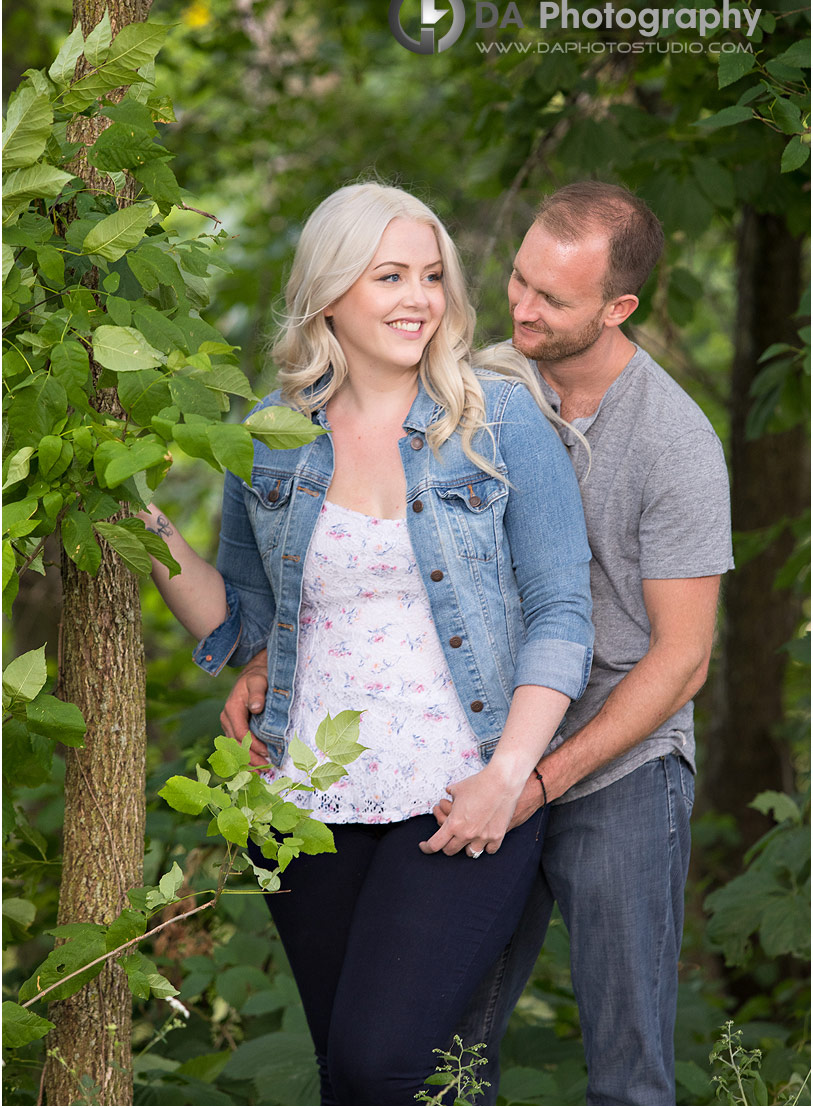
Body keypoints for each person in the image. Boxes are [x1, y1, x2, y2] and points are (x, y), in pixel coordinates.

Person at [223, 180, 734, 1105]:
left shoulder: (674, 442)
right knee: (446, 1059)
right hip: (471, 743)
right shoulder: (478, 382)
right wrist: (268, 657)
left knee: (626, 1067)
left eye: (553, 299)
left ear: (618, 309)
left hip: (613, 761)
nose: (522, 310)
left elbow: (681, 658)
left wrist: (530, 777)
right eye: (516, 281)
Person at [140, 182, 594, 1106]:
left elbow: (561, 611)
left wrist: (509, 774)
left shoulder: (499, 422)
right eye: (389, 275)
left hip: (464, 786)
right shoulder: (274, 436)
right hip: (303, 797)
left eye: (431, 276)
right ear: (329, 292)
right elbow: (248, 618)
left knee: (379, 1065)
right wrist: (144, 528)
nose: (418, 299)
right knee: (353, 1081)